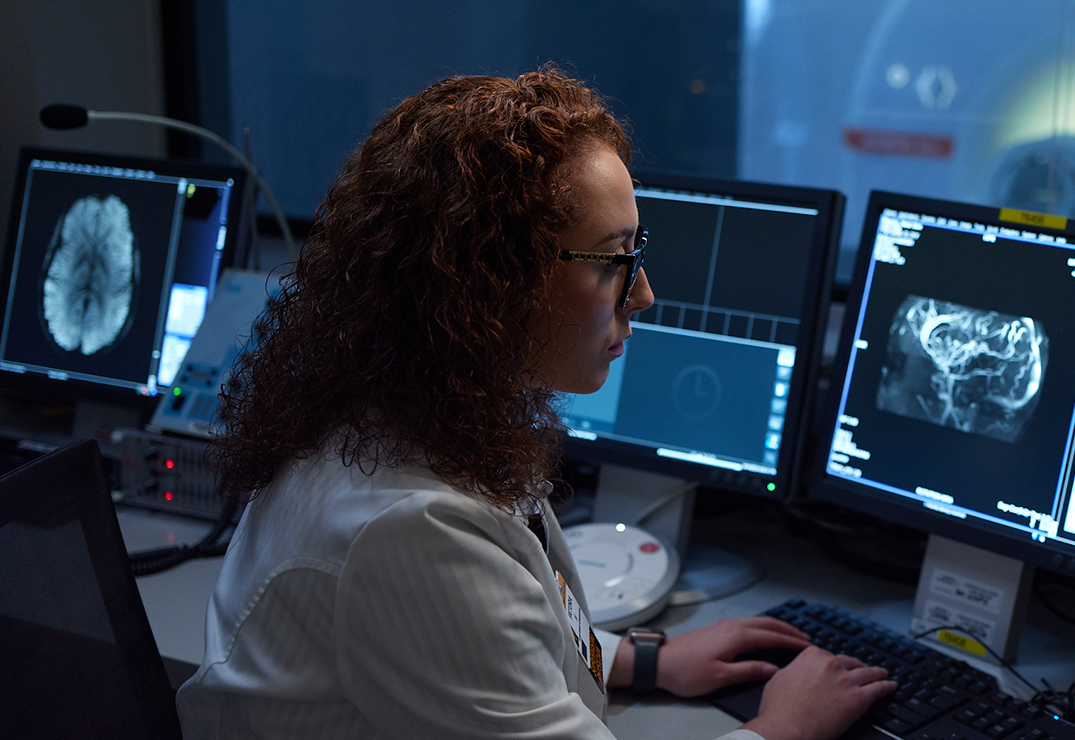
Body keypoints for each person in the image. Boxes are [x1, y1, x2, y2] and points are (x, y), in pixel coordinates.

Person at [176, 68, 898, 740]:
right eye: (617, 260)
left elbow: (500, 620)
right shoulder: (411, 530)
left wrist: (645, 661)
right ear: (489, 285)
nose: (643, 293)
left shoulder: (408, 416)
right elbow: (464, 610)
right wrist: (782, 729)